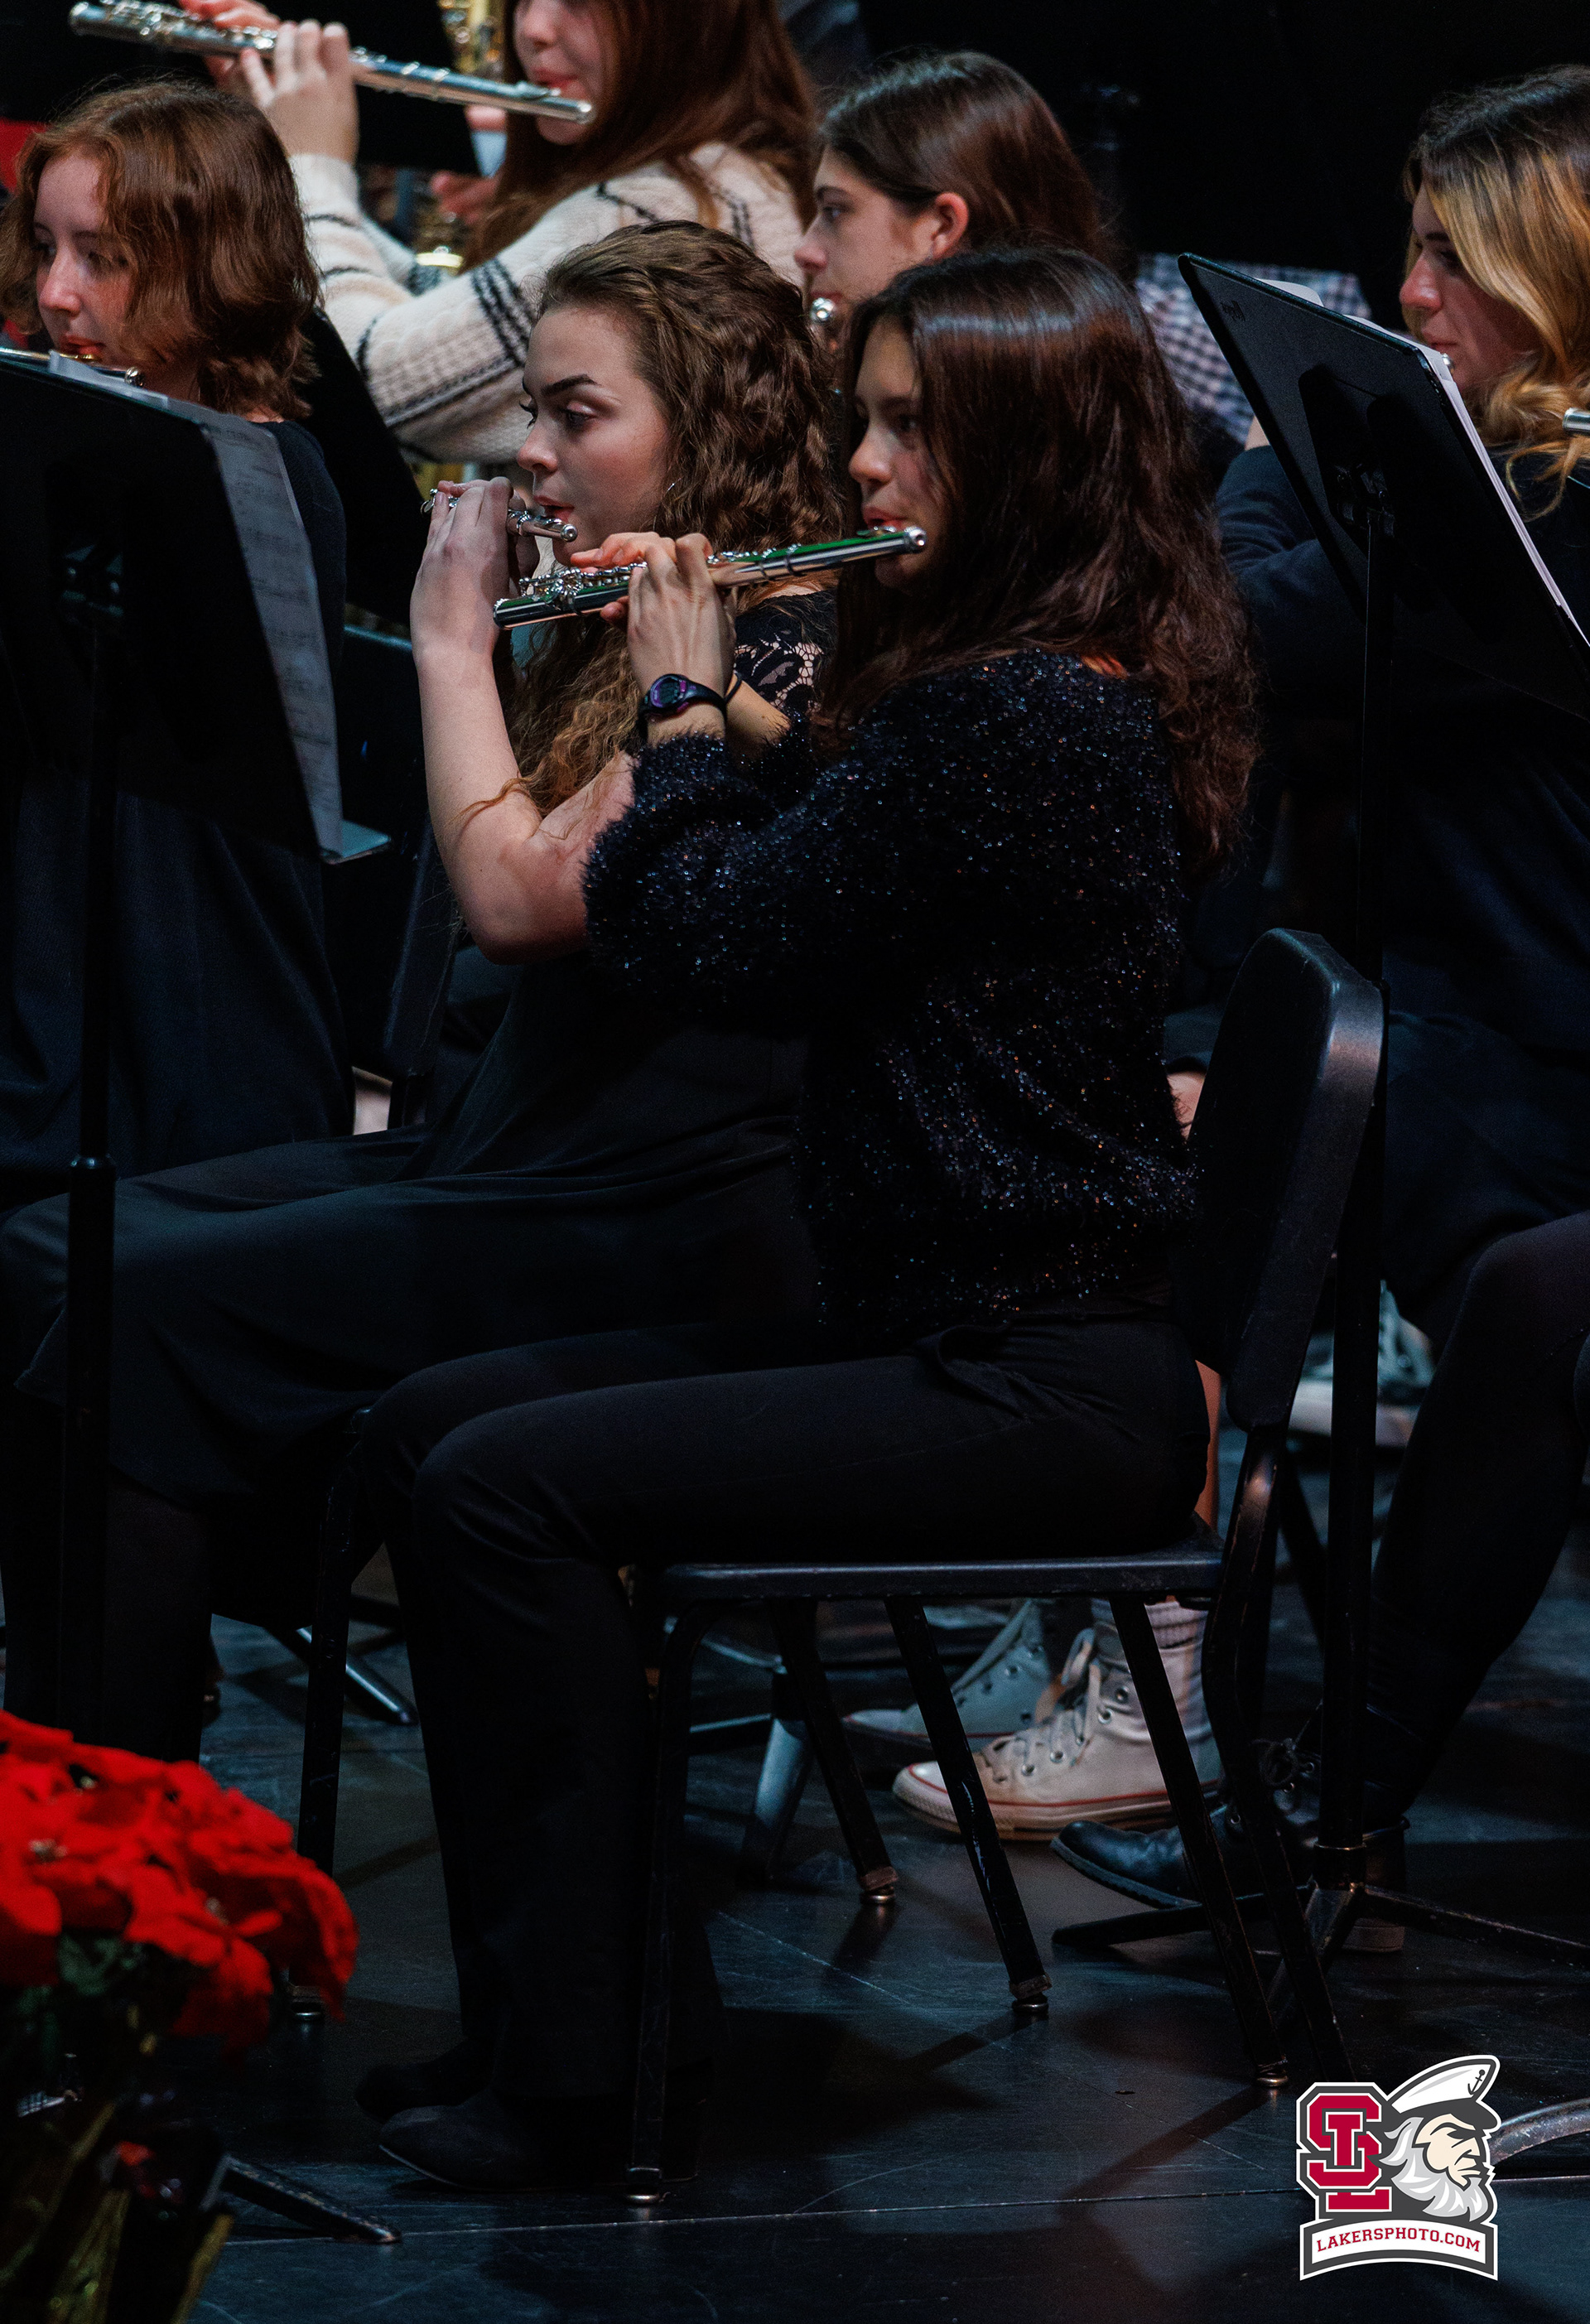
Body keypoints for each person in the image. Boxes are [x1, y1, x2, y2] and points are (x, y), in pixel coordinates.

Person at [347, 242, 1258, 2190]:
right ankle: (570, 2017)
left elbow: (701, 937)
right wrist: (749, 705)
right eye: (865, 415)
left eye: (907, 426)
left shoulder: (1020, 720)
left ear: (1024, 459)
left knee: (502, 1491)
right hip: (954, 1327)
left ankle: (586, 2072)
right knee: (431, 1425)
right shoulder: (1035, 692)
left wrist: (681, 699)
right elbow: (857, 817)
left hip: (1030, 1374)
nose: (859, 463)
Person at [0, 220, 838, 1761]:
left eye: (577, 415)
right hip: (514, 1150)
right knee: (48, 1248)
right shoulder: (614, 603)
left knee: (141, 1321)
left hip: (660, 1209)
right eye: (533, 409)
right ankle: (105, 1721)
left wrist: (452, 648)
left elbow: (519, 903)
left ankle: (124, 1800)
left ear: (707, 427)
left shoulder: (772, 644)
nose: (531, 455)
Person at [1058, 63, 1590, 1913]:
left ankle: (1190, 1690)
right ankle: (1146, 1648)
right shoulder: (1463, 469)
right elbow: (1244, 593)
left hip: (1534, 1065)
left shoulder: (1551, 504)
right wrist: (1316, 461)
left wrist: (1308, 459)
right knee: (1156, 1115)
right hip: (1468, 1041)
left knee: (1226, 1144)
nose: (1410, 292)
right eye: (1409, 245)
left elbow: (1246, 624)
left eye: (1454, 258)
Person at [0, 77, 350, 1209]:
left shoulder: (258, 473)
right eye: (46, 247)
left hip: (174, 1008)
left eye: (102, 258)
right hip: (61, 937)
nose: (57, 293)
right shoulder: (66, 438)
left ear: (212, 271)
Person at [185, 0, 815, 461]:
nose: (534, 28)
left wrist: (309, 166)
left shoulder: (662, 209)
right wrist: (279, 137)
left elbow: (374, 383)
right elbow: (437, 322)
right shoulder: (720, 174)